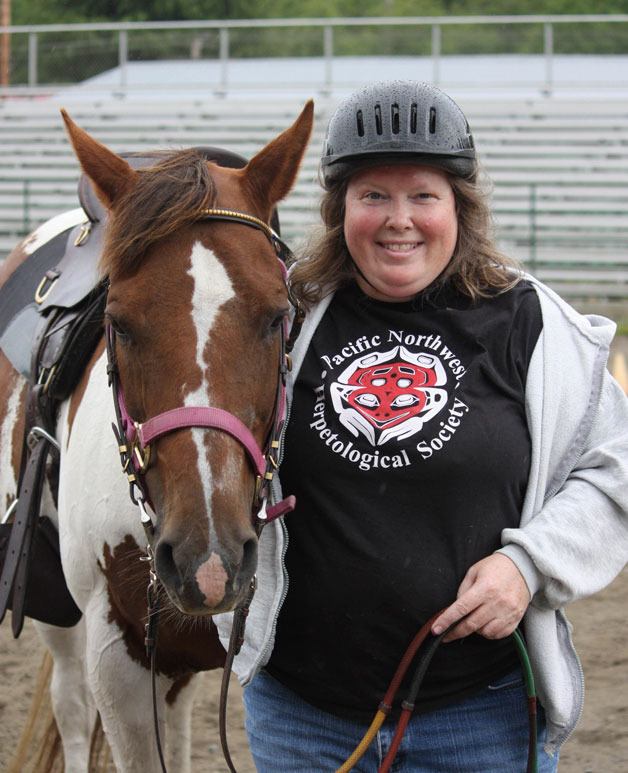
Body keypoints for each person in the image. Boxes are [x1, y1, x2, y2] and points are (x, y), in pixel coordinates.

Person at [216, 81, 628, 771]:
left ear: (459, 206)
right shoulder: (285, 321)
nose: (398, 220)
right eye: (373, 195)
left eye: (423, 196)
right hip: (301, 718)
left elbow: (616, 467)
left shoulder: (530, 324)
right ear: (341, 209)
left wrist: (528, 565)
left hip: (482, 718)